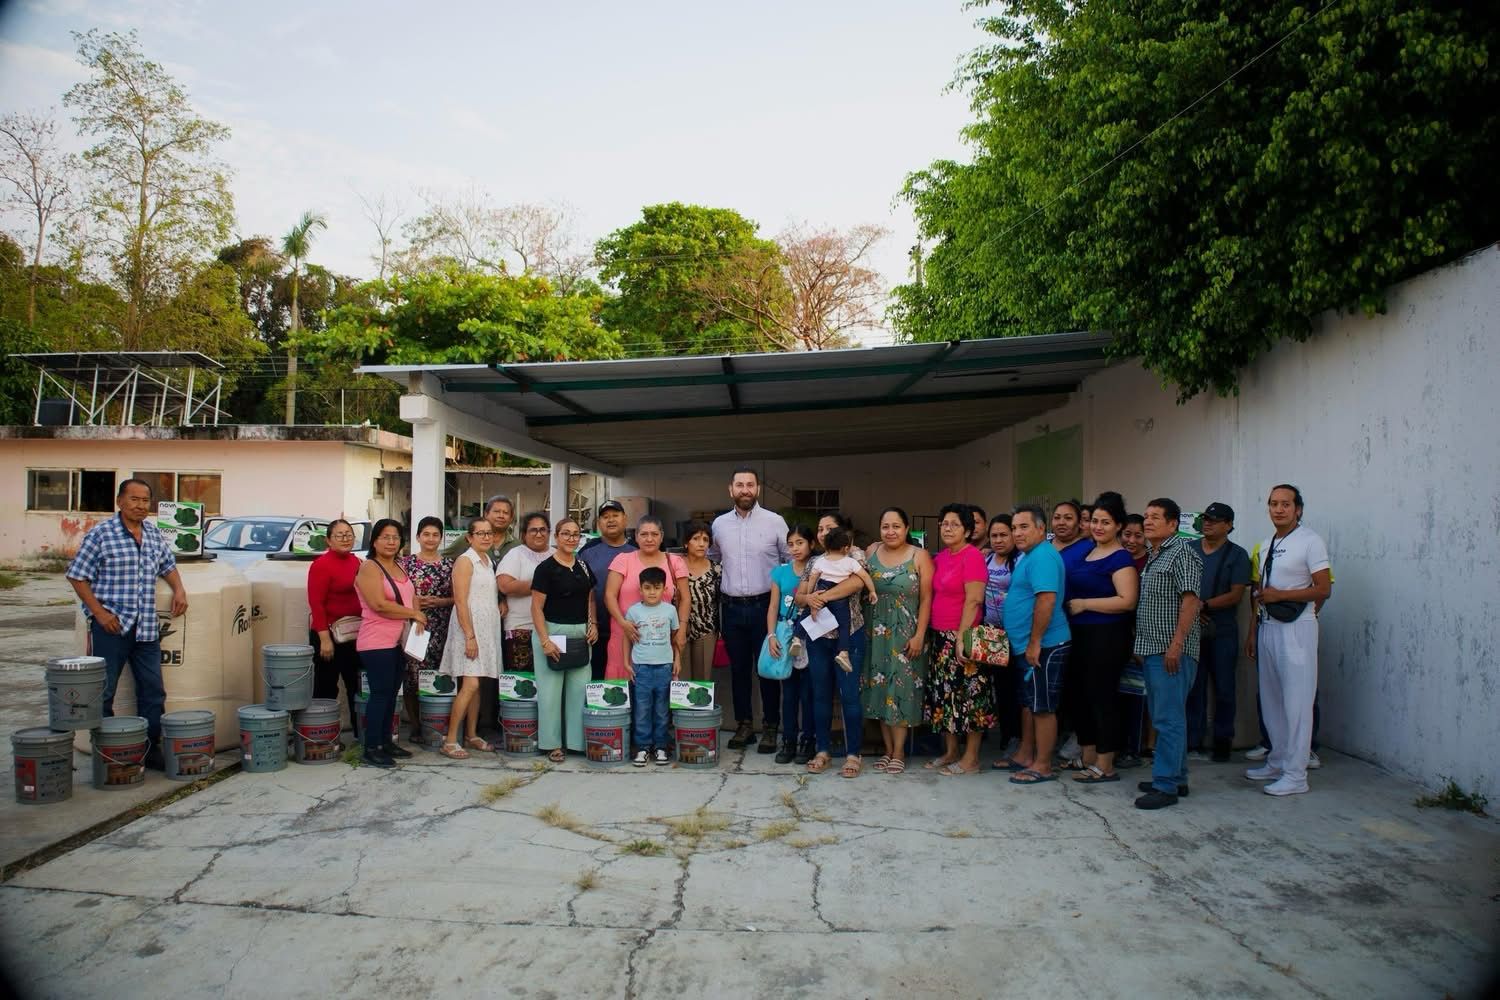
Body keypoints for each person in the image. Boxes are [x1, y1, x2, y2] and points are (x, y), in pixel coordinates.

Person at [66, 478, 188, 768]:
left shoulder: (153, 534)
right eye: (134, 499)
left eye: (145, 500)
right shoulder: (101, 534)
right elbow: (77, 575)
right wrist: (100, 613)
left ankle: (150, 748)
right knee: (104, 691)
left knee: (153, 691)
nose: (141, 506)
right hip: (111, 627)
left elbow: (168, 565)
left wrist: (179, 589)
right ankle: (108, 753)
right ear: (120, 501)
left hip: (146, 628)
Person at [1245, 485, 1331, 796]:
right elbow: (1260, 592)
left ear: (1298, 509)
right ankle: (1278, 760)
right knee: (1272, 700)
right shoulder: (1268, 543)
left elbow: (1323, 589)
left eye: (1285, 504)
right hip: (1268, 626)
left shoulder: (1310, 541)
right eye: (1273, 504)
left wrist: (1282, 596)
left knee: (1297, 702)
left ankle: (1296, 775)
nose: (1278, 509)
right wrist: (1253, 630)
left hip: (1296, 628)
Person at [710, 467, 789, 752]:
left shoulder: (775, 522)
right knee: (739, 670)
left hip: (766, 607)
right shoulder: (719, 525)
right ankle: (744, 725)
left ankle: (770, 726)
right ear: (730, 489)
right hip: (732, 609)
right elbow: (713, 557)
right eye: (740, 485)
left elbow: (790, 560)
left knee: (767, 667)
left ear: (758, 489)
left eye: (750, 485)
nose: (745, 490)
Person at [1062, 492, 1139, 784]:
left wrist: (1085, 604)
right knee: (1080, 696)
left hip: (1106, 636)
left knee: (1102, 698)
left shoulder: (1121, 558)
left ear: (1118, 525)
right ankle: (1088, 755)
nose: (1098, 527)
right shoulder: (1086, 552)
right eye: (1094, 521)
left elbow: (1127, 600)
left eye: (1105, 522)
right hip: (1079, 634)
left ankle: (1106, 764)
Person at [1133, 498, 1203, 809]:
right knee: (1167, 715)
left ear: (1173, 524)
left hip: (1171, 651)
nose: (1147, 522)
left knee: (1167, 719)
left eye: (1155, 517)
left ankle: (1165, 786)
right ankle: (1177, 777)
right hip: (1153, 649)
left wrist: (1176, 644)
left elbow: (1191, 601)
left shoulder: (1181, 553)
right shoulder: (1156, 554)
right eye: (1146, 516)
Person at [999, 505, 1071, 785]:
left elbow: (1046, 600)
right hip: (1031, 645)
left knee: (1043, 706)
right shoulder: (1030, 556)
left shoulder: (1042, 557)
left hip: (1045, 645)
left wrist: (1035, 642)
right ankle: (1026, 755)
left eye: (1024, 527)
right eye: (1014, 528)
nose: (1017, 533)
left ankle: (1042, 765)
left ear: (1041, 529)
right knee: (1030, 703)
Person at [861, 506, 933, 775]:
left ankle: (900, 751)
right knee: (880, 690)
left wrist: (920, 635)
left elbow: (926, 598)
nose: (890, 531)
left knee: (900, 691)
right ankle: (888, 749)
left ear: (906, 529)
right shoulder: (870, 552)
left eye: (896, 526)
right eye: (885, 526)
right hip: (875, 634)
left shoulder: (920, 556)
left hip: (906, 635)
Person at [802, 512, 873, 778]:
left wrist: (819, 597)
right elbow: (799, 596)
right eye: (819, 529)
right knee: (820, 693)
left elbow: (854, 584)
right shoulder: (815, 561)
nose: (823, 533)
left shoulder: (855, 555)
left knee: (849, 695)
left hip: (849, 635)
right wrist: (807, 599)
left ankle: (853, 754)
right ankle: (822, 750)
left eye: (829, 528)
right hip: (819, 636)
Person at [921, 503, 990, 776]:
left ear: (968, 531)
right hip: (940, 635)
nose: (948, 528)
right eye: (944, 523)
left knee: (970, 698)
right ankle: (951, 752)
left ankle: (971, 758)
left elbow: (974, 599)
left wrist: (961, 638)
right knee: (944, 697)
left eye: (955, 524)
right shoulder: (941, 557)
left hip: (963, 636)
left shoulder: (971, 556)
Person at [353, 519, 426, 768]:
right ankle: (371, 748)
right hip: (376, 641)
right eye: (385, 537)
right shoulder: (369, 567)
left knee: (392, 693)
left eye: (395, 537)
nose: (391, 542)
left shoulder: (399, 566)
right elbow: (378, 604)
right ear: (374, 541)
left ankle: (386, 742)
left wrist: (417, 615)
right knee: (380, 694)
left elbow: (411, 596)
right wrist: (413, 614)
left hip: (397, 641)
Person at [1187, 502, 1251, 762]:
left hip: (1222, 629)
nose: (1208, 523)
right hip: (1191, 628)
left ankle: (1223, 741)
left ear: (1228, 525)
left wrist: (1204, 605)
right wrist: (1191, 608)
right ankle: (1193, 741)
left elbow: (1236, 594)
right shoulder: (1189, 549)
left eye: (1214, 520)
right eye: (1206, 519)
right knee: (1194, 687)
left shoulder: (1237, 555)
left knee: (1224, 687)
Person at [532, 517, 599, 763]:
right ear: (556, 536)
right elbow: (536, 608)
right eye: (566, 533)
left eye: (575, 534)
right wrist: (545, 640)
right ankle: (552, 744)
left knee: (579, 689)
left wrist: (593, 624)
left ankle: (576, 743)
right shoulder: (546, 569)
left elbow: (590, 599)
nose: (571, 538)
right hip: (553, 631)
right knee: (550, 692)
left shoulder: (583, 566)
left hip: (580, 632)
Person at [437, 517, 502, 759]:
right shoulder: (465, 561)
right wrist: (469, 636)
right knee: (471, 684)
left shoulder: (487, 560)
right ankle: (450, 739)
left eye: (489, 533)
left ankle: (471, 734)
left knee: (477, 684)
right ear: (469, 537)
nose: (486, 537)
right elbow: (461, 600)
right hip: (469, 629)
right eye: (480, 533)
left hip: (486, 628)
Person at [604, 516, 689, 681]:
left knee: (658, 688)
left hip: (660, 641)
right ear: (636, 537)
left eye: (654, 534)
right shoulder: (623, 560)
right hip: (625, 634)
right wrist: (623, 623)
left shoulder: (675, 562)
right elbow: (609, 595)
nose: (649, 539)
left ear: (661, 536)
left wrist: (682, 630)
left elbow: (685, 598)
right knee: (622, 687)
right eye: (644, 534)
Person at [397, 516, 454, 744]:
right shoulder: (405, 564)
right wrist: (415, 605)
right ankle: (416, 726)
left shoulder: (450, 565)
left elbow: (459, 597)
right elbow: (396, 594)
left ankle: (438, 724)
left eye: (435, 535)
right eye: (426, 534)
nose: (430, 539)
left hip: (442, 626)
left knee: (440, 673)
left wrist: (440, 602)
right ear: (418, 537)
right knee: (413, 676)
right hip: (414, 627)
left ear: (441, 538)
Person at [307, 517, 363, 740]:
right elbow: (316, 603)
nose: (345, 539)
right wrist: (324, 638)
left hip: (354, 634)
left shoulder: (358, 562)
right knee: (326, 687)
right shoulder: (321, 565)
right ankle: (324, 737)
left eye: (349, 534)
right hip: (328, 634)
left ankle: (360, 734)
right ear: (328, 540)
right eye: (339, 535)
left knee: (356, 685)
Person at [767, 524, 817, 765]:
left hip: (811, 637)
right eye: (791, 544)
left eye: (800, 543)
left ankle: (808, 741)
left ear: (811, 544)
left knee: (808, 693)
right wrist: (771, 635)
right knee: (788, 694)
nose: (795, 548)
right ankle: (788, 740)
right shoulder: (780, 572)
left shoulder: (818, 569)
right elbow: (773, 606)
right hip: (786, 636)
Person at [795, 526, 876, 671]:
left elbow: (813, 578)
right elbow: (864, 577)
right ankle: (843, 652)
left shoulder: (820, 561)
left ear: (827, 546)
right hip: (840, 597)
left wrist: (810, 595)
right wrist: (872, 591)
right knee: (844, 624)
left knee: (806, 613)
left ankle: (797, 638)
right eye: (820, 529)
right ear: (846, 547)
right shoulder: (850, 562)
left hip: (822, 587)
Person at [626, 566, 679, 766]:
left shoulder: (670, 610)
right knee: (642, 710)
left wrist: (677, 660)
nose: (652, 592)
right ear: (640, 589)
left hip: (664, 667)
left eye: (657, 588)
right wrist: (626, 663)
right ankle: (642, 747)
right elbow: (626, 638)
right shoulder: (633, 611)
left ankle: (661, 747)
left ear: (665, 589)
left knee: (662, 710)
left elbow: (675, 639)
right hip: (641, 668)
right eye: (647, 588)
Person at [579, 499, 636, 681]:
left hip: (629, 630)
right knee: (596, 680)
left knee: (627, 680)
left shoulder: (637, 550)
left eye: (615, 515)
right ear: (598, 523)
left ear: (625, 519)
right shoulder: (587, 551)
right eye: (605, 517)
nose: (610, 520)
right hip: (595, 630)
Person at [496, 512, 554, 676]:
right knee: (522, 681)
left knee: (550, 678)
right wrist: (541, 584)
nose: (539, 534)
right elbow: (505, 586)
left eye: (543, 530)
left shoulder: (556, 555)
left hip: (551, 629)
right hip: (521, 628)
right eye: (533, 530)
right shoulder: (516, 554)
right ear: (523, 534)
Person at [983, 514, 1022, 756]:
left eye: (1003, 535)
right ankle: (1007, 737)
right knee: (1001, 689)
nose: (998, 540)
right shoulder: (987, 559)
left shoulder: (1021, 560)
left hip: (1015, 634)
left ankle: (1018, 738)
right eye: (994, 535)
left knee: (1016, 689)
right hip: (992, 635)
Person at [680, 520, 721, 681]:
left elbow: (720, 601)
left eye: (705, 540)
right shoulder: (675, 566)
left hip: (707, 629)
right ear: (686, 543)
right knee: (681, 678)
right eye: (696, 538)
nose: (701, 544)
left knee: (702, 679)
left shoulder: (717, 569)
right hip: (678, 629)